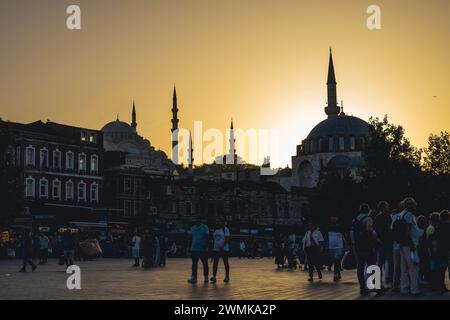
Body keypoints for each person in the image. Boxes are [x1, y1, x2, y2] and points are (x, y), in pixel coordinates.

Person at [394, 197, 423, 296]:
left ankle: (404, 288)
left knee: (404, 267)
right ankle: (414, 290)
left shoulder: (399, 214)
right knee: (413, 267)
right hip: (409, 243)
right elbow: (408, 230)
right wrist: (411, 244)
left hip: (401, 243)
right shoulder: (409, 215)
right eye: (413, 204)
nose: (415, 205)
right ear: (410, 205)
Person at [351, 203, 380, 295]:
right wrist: (376, 239)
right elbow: (369, 230)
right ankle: (376, 287)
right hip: (367, 246)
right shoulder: (368, 219)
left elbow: (351, 233)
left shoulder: (355, 219)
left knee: (360, 267)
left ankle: (362, 288)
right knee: (373, 266)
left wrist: (353, 243)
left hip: (357, 246)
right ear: (367, 210)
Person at [374, 201, 393, 287]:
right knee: (390, 262)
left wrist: (378, 239)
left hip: (379, 242)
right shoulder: (388, 216)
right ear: (384, 207)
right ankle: (390, 281)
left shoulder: (377, 217)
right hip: (388, 242)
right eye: (387, 205)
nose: (388, 207)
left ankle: (378, 284)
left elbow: (375, 230)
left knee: (379, 263)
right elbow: (390, 228)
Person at [433, 210, 450, 293]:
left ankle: (441, 286)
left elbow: (434, 240)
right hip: (447, 251)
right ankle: (442, 287)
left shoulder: (437, 227)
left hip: (440, 251)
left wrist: (435, 250)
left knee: (441, 269)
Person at [326, 216, 345, 282]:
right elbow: (327, 236)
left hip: (338, 246)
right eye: (332, 217)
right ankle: (338, 273)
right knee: (335, 260)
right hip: (331, 246)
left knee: (336, 260)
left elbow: (344, 235)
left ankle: (336, 274)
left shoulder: (340, 226)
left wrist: (346, 244)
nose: (334, 218)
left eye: (335, 217)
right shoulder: (328, 227)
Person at [416, 215, 430, 285]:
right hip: (423, 249)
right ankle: (423, 279)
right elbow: (422, 242)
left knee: (420, 265)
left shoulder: (416, 229)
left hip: (419, 249)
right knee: (423, 264)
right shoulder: (423, 230)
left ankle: (420, 278)